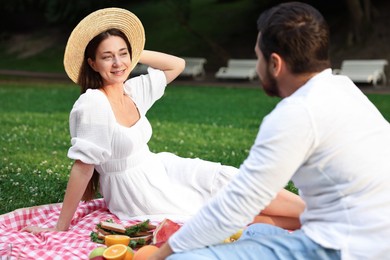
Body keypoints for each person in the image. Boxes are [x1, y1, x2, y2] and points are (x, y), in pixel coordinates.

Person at [22, 7, 304, 234]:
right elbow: (83, 168)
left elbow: (176, 65)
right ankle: (330, 217)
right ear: (93, 63)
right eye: (107, 57)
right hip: (136, 190)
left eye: (123, 55)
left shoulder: (133, 89)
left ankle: (326, 215)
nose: (118, 63)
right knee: (226, 212)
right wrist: (61, 226)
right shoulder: (93, 104)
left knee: (228, 179)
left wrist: (133, 50)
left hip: (160, 166)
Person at [151, 2, 390, 260]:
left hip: (343, 248)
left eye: (258, 57)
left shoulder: (297, 112)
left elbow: (234, 207)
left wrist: (161, 254)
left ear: (275, 63)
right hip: (377, 236)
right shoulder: (344, 89)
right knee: (256, 233)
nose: (257, 66)